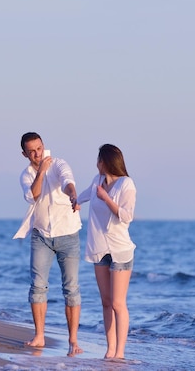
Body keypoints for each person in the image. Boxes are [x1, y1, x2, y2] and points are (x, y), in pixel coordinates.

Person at [12, 132, 83, 356]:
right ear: (24, 153)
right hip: (41, 235)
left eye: (39, 148)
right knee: (37, 286)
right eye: (31, 151)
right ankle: (39, 335)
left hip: (68, 234)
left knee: (71, 288)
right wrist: (40, 171)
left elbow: (67, 181)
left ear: (44, 146)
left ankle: (73, 340)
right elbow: (33, 195)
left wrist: (73, 195)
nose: (37, 154)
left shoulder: (59, 163)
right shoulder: (26, 175)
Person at [76, 144, 137, 360]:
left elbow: (127, 216)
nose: (96, 163)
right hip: (99, 248)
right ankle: (110, 350)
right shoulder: (96, 181)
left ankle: (120, 353)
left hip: (120, 250)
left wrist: (107, 199)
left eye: (98, 160)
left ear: (106, 161)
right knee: (106, 302)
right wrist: (75, 201)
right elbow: (86, 194)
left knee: (118, 303)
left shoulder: (126, 184)